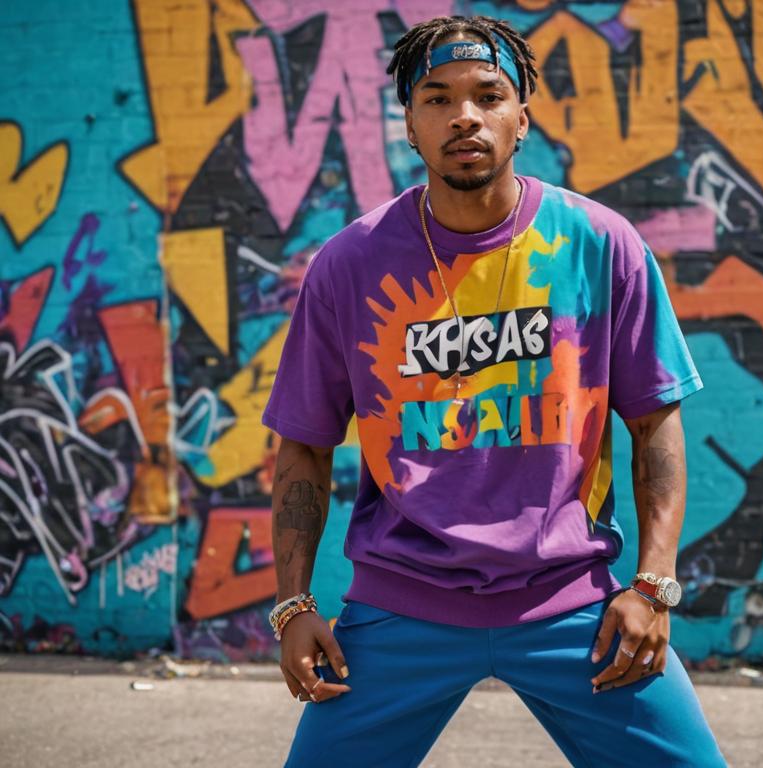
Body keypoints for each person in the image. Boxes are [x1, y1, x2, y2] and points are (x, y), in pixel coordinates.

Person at [261, 14, 726, 767]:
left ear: (522, 117)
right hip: (401, 602)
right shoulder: (350, 264)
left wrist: (654, 584)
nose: (464, 115)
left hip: (575, 606)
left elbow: (654, 425)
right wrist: (293, 606)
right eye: (437, 98)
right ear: (409, 123)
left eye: (488, 94)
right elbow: (306, 447)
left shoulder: (600, 244)